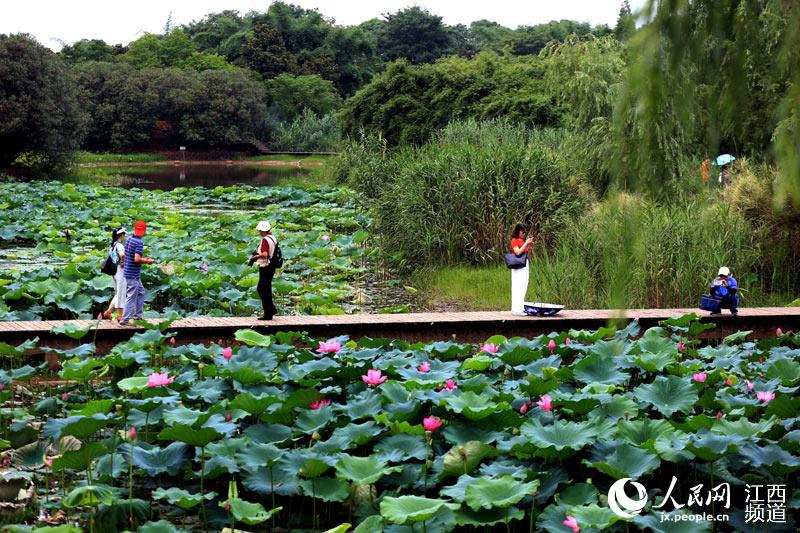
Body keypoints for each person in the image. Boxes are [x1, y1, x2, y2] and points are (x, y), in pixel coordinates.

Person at [119, 221, 155, 326]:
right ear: (144, 231)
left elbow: (126, 255)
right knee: (131, 296)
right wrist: (148, 261)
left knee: (141, 292)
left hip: (129, 271)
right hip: (133, 274)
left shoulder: (130, 239)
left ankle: (138, 316)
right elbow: (137, 259)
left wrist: (124, 263)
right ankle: (124, 320)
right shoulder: (139, 243)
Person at [250, 220, 278, 320]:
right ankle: (270, 310)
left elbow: (265, 254)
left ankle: (269, 312)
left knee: (262, 289)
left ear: (263, 230)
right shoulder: (273, 238)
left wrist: (255, 257)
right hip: (272, 266)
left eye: (260, 230)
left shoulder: (265, 239)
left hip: (266, 266)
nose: (259, 232)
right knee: (266, 288)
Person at [102, 227, 127, 321]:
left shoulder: (112, 245)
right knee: (121, 292)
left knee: (118, 293)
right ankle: (120, 315)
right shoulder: (119, 245)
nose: (125, 236)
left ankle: (108, 312)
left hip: (114, 271)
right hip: (120, 270)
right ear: (121, 235)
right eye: (124, 234)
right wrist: (124, 262)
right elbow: (122, 255)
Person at [510, 224, 534, 315]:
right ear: (518, 231)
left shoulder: (522, 241)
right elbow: (517, 252)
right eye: (522, 232)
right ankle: (517, 309)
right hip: (518, 265)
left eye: (524, 232)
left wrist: (529, 245)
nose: (523, 234)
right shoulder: (514, 240)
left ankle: (520, 307)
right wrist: (526, 243)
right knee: (518, 286)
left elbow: (526, 253)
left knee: (524, 285)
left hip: (524, 263)